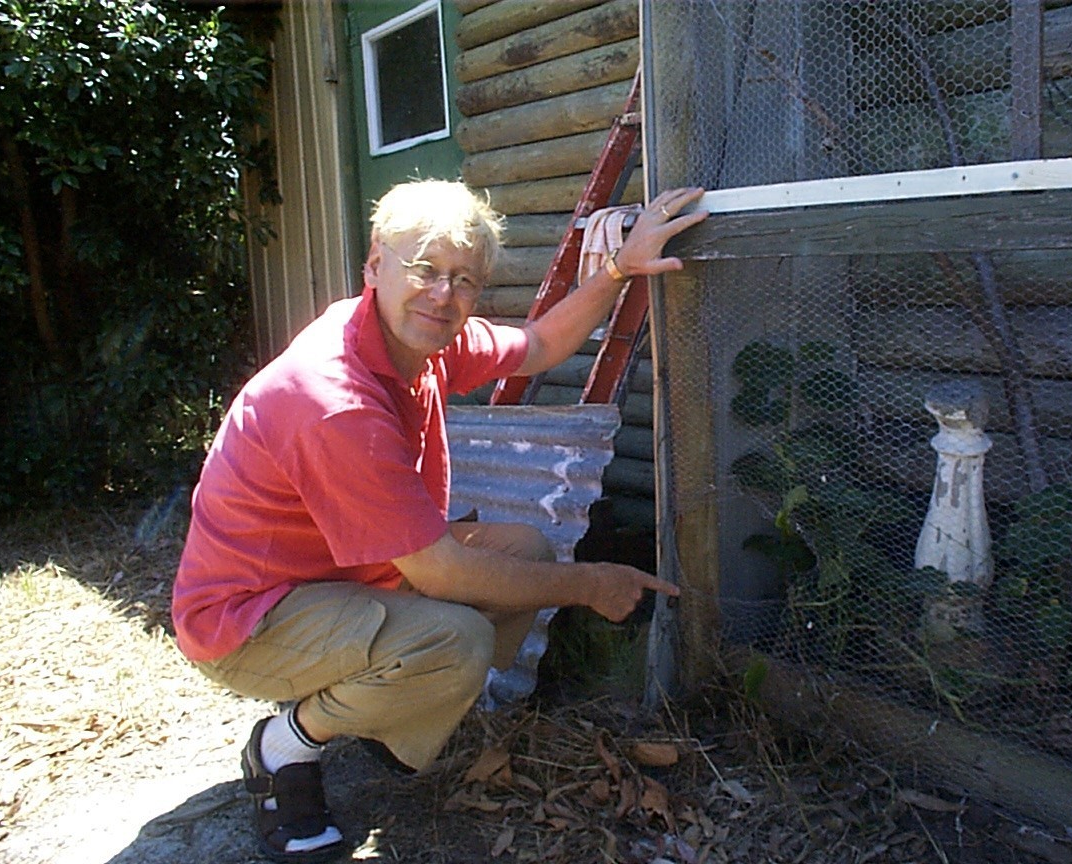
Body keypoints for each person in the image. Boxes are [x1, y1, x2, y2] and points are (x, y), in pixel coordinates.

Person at [171, 179, 707, 862]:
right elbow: (443, 571)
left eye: (463, 280)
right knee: (456, 642)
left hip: (337, 575)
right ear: (374, 266)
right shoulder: (335, 398)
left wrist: (617, 267)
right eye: (424, 269)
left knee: (528, 549)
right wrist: (594, 583)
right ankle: (283, 749)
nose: (443, 294)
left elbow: (540, 343)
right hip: (247, 618)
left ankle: (389, 722)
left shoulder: (419, 342)